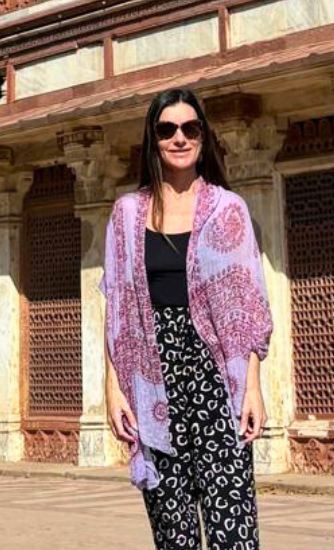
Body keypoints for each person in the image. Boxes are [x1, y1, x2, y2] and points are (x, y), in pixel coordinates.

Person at [101, 87, 273, 549]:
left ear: (203, 137)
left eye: (190, 128)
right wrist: (113, 388)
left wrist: (252, 387)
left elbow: (248, 306)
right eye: (167, 129)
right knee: (172, 526)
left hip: (217, 377)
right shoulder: (127, 215)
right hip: (151, 377)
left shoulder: (227, 210)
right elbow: (116, 308)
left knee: (230, 516)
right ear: (153, 139)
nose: (180, 138)